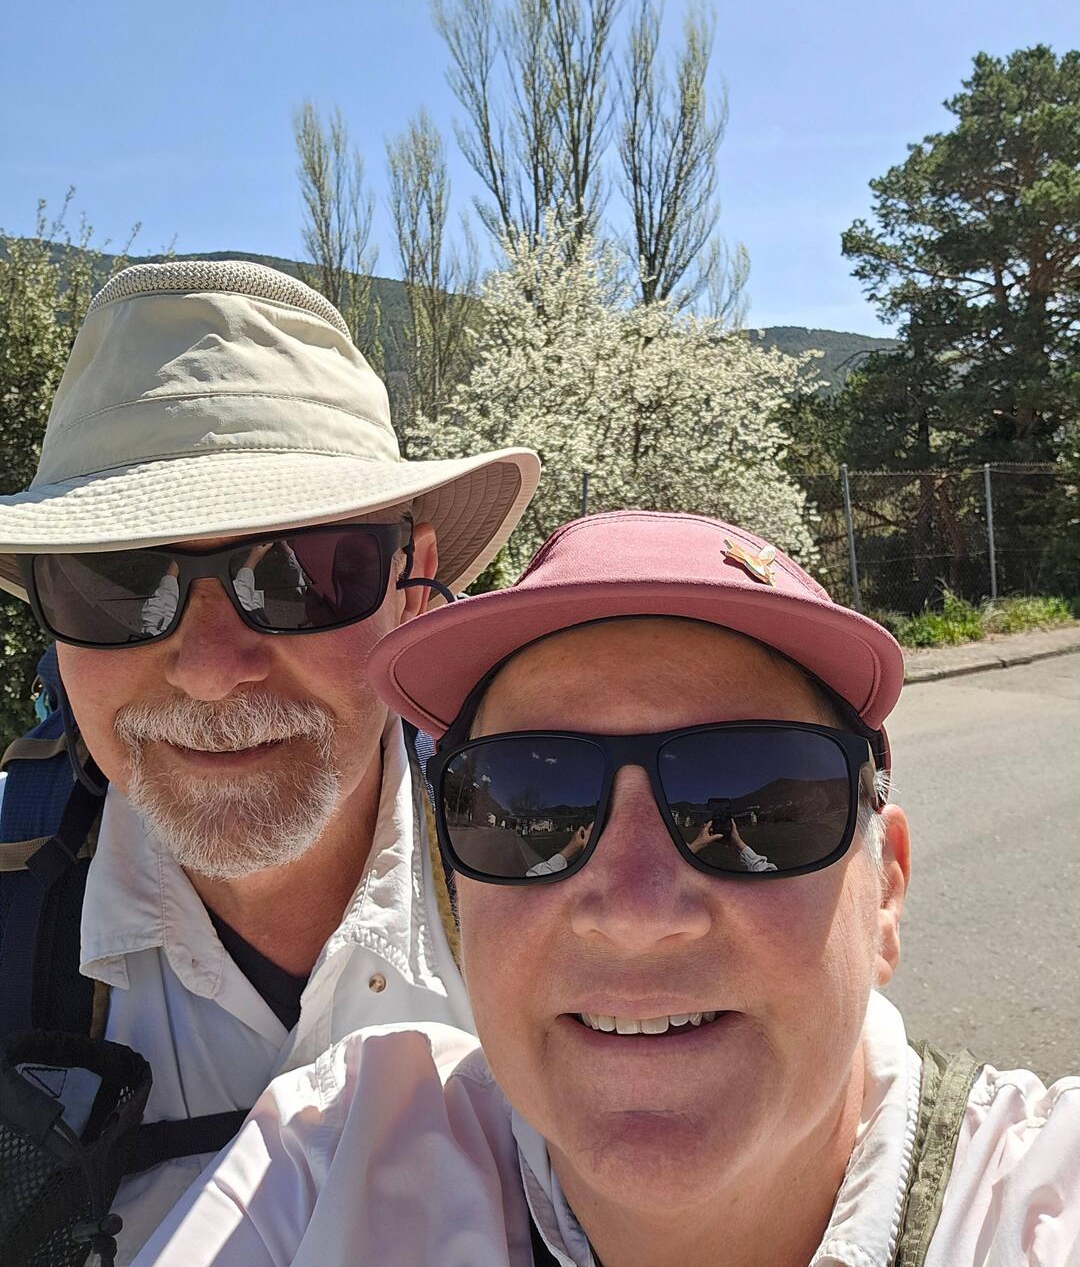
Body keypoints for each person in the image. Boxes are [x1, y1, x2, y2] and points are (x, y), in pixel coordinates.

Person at [133, 510, 1080, 1267]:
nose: (634, 913)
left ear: (886, 894)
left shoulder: (1043, 1201)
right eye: (531, 808)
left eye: (753, 808)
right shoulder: (328, 1168)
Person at [0, 258, 539, 1261]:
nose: (210, 672)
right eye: (116, 588)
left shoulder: (580, 875)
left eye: (300, 576)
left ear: (412, 586)